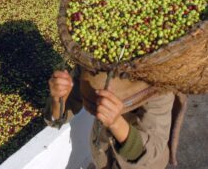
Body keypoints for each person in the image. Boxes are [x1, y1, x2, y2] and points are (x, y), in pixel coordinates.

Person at [44, 64, 177, 169]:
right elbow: (57, 119)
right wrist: (58, 99)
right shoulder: (90, 64)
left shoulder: (160, 86)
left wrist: (116, 123)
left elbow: (152, 149)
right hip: (100, 154)